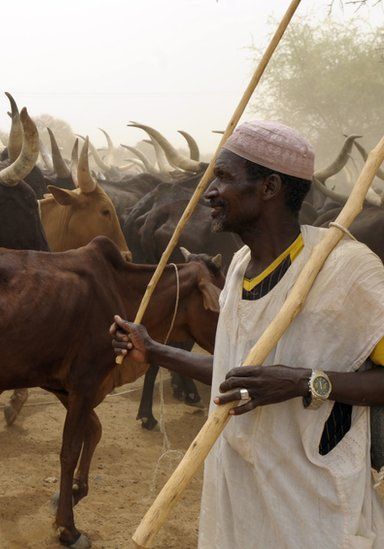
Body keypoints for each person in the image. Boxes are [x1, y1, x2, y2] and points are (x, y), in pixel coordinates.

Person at [111, 120, 384, 548]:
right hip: (241, 491)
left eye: (223, 177)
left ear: (270, 187)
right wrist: (155, 350)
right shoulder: (239, 266)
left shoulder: (346, 269)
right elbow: (234, 376)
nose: (209, 192)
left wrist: (304, 382)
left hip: (315, 505)